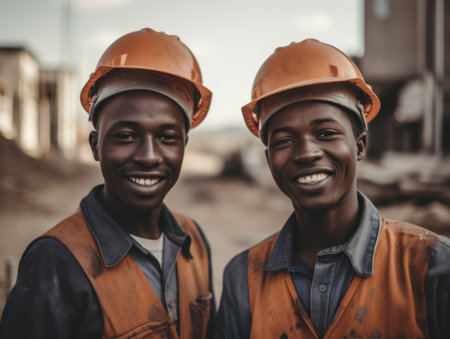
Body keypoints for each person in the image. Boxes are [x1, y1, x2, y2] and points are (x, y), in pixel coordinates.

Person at [215, 38, 450, 338]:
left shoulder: (432, 266)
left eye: (326, 133)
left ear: (360, 145)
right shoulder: (243, 278)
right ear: (269, 160)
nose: (306, 152)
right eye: (284, 140)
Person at [0, 28, 215, 339]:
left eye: (168, 138)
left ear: (183, 146)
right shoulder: (56, 261)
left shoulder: (192, 241)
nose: (149, 156)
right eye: (126, 136)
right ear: (95, 145)